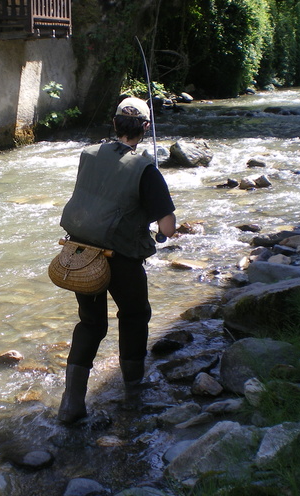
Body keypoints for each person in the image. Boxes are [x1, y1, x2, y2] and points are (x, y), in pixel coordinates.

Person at [56, 96, 176, 423]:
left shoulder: (89, 154)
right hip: (121, 258)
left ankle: (71, 404)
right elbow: (167, 226)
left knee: (92, 323)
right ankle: (133, 391)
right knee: (135, 315)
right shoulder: (145, 167)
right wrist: (163, 228)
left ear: (114, 124)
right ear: (146, 127)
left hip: (82, 255)